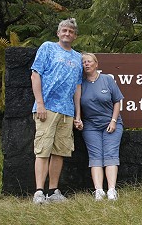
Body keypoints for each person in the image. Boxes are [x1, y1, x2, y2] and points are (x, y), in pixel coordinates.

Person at [31, 18, 83, 204]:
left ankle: (53, 192)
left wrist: (77, 114)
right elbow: (35, 74)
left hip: (67, 111)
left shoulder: (78, 57)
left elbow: (77, 87)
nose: (67, 33)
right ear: (58, 33)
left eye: (71, 31)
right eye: (64, 30)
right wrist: (40, 103)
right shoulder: (47, 48)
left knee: (59, 151)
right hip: (47, 108)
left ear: (75, 36)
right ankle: (39, 192)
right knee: (43, 150)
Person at [74, 52, 124, 201]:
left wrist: (113, 121)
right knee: (95, 157)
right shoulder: (80, 84)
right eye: (84, 62)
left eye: (89, 61)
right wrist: (78, 119)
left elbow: (117, 101)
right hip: (91, 126)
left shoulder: (107, 79)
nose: (86, 64)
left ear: (96, 64)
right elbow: (77, 105)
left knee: (110, 155)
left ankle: (111, 191)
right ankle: (99, 191)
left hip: (111, 124)